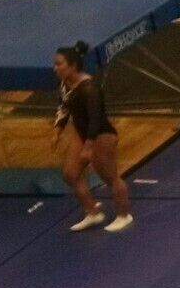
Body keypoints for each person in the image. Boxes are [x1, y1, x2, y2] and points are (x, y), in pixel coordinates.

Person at [52, 42, 134, 232]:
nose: (54, 68)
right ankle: (93, 212)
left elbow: (96, 118)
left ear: (72, 65)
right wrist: (57, 130)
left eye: (59, 64)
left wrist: (88, 147)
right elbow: (63, 106)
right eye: (55, 64)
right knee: (71, 174)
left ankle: (124, 214)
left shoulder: (89, 88)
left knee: (109, 176)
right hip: (82, 131)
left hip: (100, 134)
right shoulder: (65, 84)